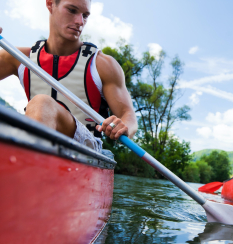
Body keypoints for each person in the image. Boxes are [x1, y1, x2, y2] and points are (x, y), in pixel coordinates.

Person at [0, 0, 137, 153]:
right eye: (72, 10)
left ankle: (27, 165)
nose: (80, 22)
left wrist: (123, 127)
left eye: (85, 16)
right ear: (50, 4)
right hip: (35, 136)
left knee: (41, 102)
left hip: (87, 148)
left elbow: (128, 115)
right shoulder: (19, 57)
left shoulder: (102, 64)